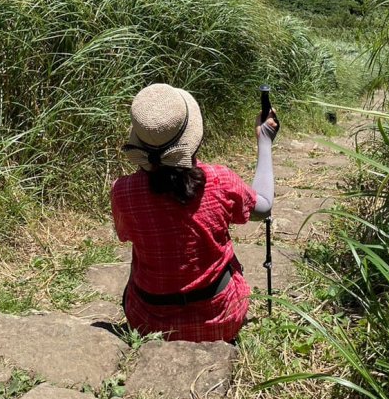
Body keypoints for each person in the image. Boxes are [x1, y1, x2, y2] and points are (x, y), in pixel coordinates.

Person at [111, 82, 278, 343]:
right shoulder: (220, 180)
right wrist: (264, 141)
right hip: (221, 320)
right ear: (191, 138)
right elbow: (264, 204)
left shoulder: (123, 192)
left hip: (148, 322)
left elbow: (126, 235)